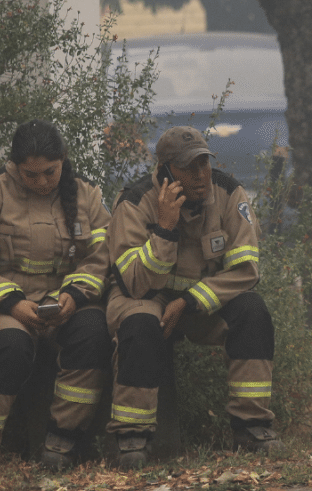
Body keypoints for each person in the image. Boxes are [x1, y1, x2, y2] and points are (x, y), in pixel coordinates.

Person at [105, 126, 282, 468]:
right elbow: (133, 283)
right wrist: (166, 229)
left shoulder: (228, 193)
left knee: (252, 311)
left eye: (204, 163)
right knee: (139, 323)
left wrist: (190, 301)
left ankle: (252, 427)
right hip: (147, 298)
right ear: (166, 171)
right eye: (190, 168)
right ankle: (132, 436)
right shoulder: (134, 201)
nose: (201, 175)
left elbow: (246, 270)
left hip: (201, 303)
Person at [0, 120, 112, 476]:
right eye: (30, 175)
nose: (41, 182)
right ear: (14, 166)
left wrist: (73, 294)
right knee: (10, 344)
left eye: (49, 172)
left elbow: (101, 258)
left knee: (94, 331)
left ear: (63, 160)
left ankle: (62, 441)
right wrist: (13, 304)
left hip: (64, 304)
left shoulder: (87, 195)